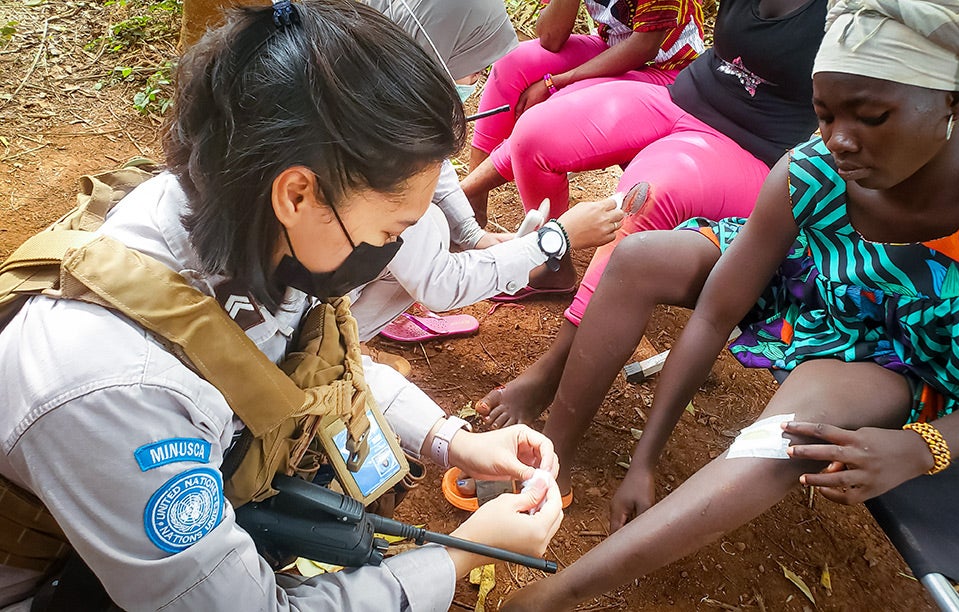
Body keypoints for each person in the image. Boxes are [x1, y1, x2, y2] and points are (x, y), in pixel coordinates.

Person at [0, 3, 564, 610]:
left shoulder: (239, 219)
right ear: (298, 193)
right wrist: (455, 558)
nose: (391, 251)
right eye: (387, 232)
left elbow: (308, 361)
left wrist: (450, 441)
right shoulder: (120, 391)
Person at [499, 1, 959, 608]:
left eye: (872, 116)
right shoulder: (814, 170)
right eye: (822, 115)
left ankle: (553, 597)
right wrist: (646, 459)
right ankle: (547, 459)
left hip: (901, 354)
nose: (840, 140)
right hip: (805, 285)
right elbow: (717, 311)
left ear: (951, 101)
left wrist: (922, 447)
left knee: (800, 429)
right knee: (640, 259)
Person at [476, 0, 829, 426]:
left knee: (642, 201)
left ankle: (549, 376)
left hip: (753, 146)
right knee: (536, 135)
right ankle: (556, 266)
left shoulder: (848, 13)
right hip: (681, 97)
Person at [346, 0, 626, 342]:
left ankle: (342, 337)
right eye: (472, 62)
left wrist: (472, 234)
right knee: (429, 226)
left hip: (307, 284)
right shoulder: (381, 147)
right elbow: (440, 284)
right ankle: (324, 354)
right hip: (292, 318)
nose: (478, 77)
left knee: (431, 227)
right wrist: (554, 240)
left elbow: (429, 163)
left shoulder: (368, 91)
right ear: (439, 51)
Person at [462, 0, 705, 228]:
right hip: (612, 47)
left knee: (555, 111)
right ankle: (471, 208)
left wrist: (556, 82)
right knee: (512, 64)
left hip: (669, 71)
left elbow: (644, 47)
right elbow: (550, 37)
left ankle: (550, 248)